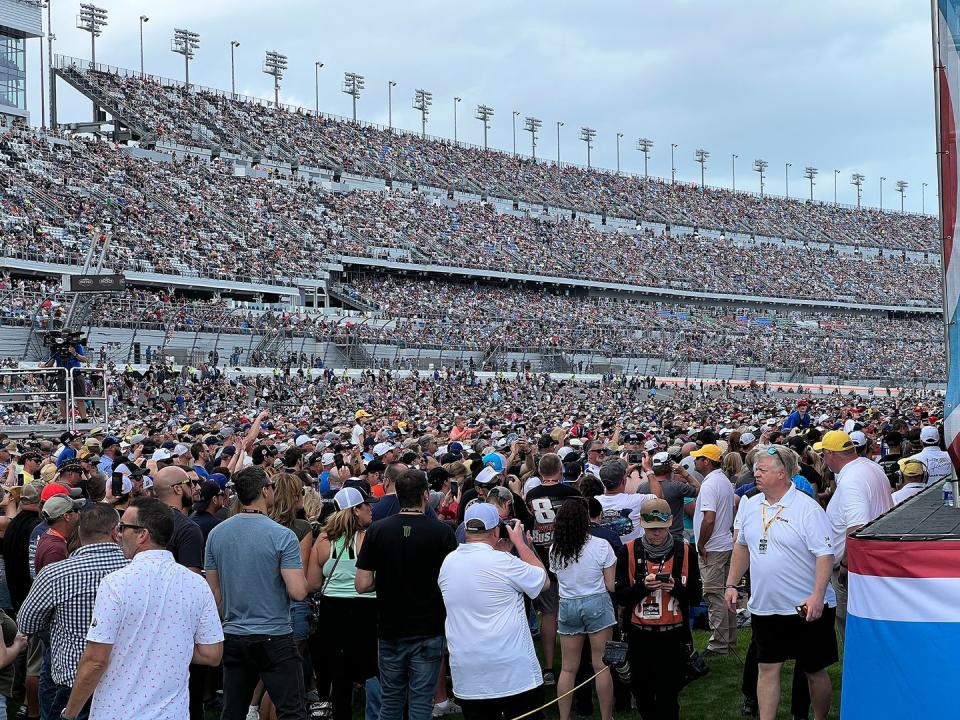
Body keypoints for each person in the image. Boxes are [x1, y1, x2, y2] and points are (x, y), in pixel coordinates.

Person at [60, 497, 224, 720]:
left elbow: (96, 660)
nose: (117, 534)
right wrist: (168, 645)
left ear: (142, 534)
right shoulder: (196, 584)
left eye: (123, 527)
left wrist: (69, 714)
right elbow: (212, 653)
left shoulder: (116, 583)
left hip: (117, 712)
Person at [725, 445, 838, 720]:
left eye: (762, 470)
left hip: (806, 606)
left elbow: (825, 555)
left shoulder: (807, 508)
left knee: (813, 670)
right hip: (766, 605)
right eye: (755, 469)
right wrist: (731, 583)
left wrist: (817, 595)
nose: (756, 474)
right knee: (767, 668)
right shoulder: (751, 505)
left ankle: (820, 718)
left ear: (783, 474)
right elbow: (741, 546)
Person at [204, 466, 309, 720]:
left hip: (234, 633)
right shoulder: (283, 536)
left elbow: (213, 593)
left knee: (233, 710)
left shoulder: (216, 535)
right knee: (291, 711)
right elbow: (297, 591)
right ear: (264, 491)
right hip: (274, 635)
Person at [355, 469, 457, 720]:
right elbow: (452, 581)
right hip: (428, 628)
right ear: (425, 495)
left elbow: (363, 584)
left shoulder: (377, 531)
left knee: (391, 701)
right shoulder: (442, 532)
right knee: (421, 703)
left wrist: (390, 578)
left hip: (391, 628)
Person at [438, 503, 548, 720]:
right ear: (496, 530)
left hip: (469, 674)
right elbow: (542, 580)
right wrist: (521, 543)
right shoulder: (505, 562)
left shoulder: (448, 563)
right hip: (513, 673)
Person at [17, 504, 127, 720]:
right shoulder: (135, 569)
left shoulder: (57, 574)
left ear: (78, 532)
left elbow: (26, 623)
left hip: (71, 679)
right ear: (116, 532)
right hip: (124, 678)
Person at [615, 498, 702, 720]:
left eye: (661, 529)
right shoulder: (628, 551)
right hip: (640, 637)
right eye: (651, 529)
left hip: (673, 636)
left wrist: (675, 589)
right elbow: (621, 597)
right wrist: (643, 587)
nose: (656, 534)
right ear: (642, 526)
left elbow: (696, 597)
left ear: (670, 523)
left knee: (669, 697)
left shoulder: (684, 551)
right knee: (643, 695)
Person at [306, 486, 378, 720]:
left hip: (332, 610)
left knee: (339, 672)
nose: (371, 510)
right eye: (367, 505)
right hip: (366, 608)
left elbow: (314, 583)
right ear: (357, 510)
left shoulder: (324, 539)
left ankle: (339, 713)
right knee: (373, 669)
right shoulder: (370, 537)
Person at [821, 430, 892, 639]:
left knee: (852, 627)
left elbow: (857, 527)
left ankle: (860, 669)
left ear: (830, 454)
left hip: (855, 566)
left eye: (823, 455)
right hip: (873, 559)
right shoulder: (870, 467)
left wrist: (845, 566)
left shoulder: (852, 479)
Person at [549, 499, 617, 720]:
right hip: (596, 602)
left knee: (568, 669)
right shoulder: (600, 545)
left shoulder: (554, 549)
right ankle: (607, 717)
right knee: (601, 666)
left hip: (568, 605)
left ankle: (564, 717)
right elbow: (610, 585)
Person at [524, 453, 580, 685]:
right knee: (574, 610)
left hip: (542, 555)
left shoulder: (531, 495)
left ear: (539, 472)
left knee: (549, 614)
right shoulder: (572, 494)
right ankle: (573, 664)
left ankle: (548, 667)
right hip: (568, 556)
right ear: (560, 470)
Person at [691, 443, 737, 656]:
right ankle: (729, 640)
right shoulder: (722, 480)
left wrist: (701, 543)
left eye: (698, 458)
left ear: (707, 461)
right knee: (726, 595)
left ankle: (719, 644)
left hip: (713, 547)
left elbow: (709, 519)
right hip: (724, 544)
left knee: (714, 596)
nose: (695, 461)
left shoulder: (711, 484)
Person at [595, 460, 661, 543]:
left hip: (606, 552)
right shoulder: (636, 500)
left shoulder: (594, 502)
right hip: (631, 553)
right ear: (623, 481)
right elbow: (659, 499)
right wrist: (649, 471)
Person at [639, 452, 700, 540]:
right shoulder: (677, 486)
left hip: (650, 537)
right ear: (670, 468)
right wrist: (683, 472)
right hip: (674, 537)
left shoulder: (642, 487)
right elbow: (698, 488)